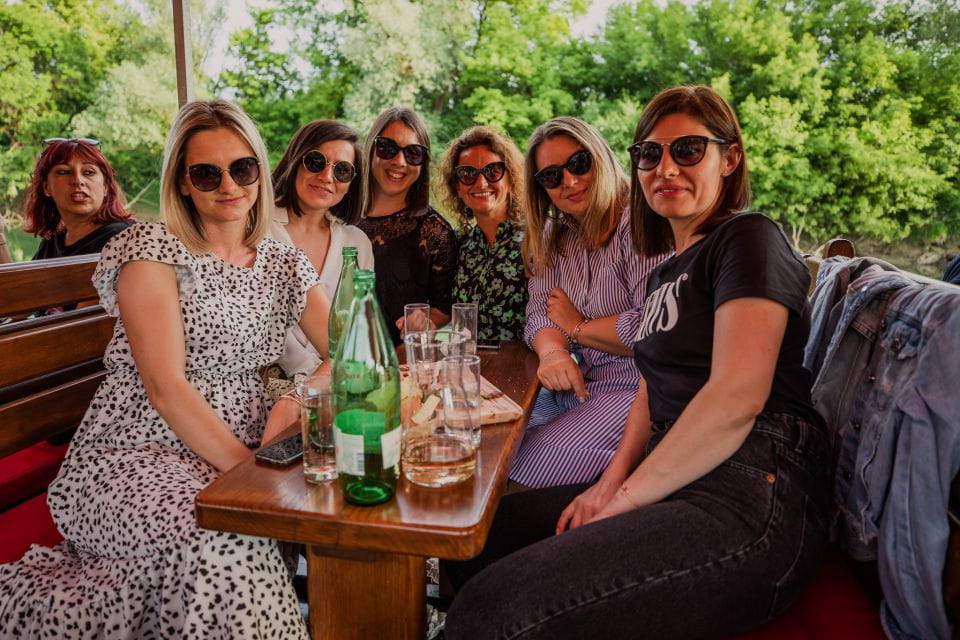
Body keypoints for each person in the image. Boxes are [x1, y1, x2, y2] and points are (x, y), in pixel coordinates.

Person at [442, 86, 831, 639]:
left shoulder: (748, 238)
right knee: (479, 537)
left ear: (731, 157)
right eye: (650, 154)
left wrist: (624, 497)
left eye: (688, 150)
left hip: (755, 486)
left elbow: (736, 398)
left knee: (489, 610)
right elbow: (654, 380)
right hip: (682, 466)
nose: (665, 167)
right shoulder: (668, 271)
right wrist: (612, 482)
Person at [0, 100, 330, 638]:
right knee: (223, 534)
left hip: (243, 440)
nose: (229, 185)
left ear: (261, 172)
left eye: (242, 168)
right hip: (134, 449)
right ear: (181, 182)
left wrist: (294, 399)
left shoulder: (278, 252)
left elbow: (352, 350)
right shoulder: (151, 248)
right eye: (206, 172)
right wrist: (248, 478)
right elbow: (165, 388)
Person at [511, 116, 662, 489]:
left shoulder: (642, 225)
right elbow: (538, 314)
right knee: (496, 439)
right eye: (551, 177)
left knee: (536, 459)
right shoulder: (554, 236)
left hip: (637, 389)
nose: (569, 182)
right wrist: (553, 354)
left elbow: (653, 330)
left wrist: (577, 327)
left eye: (578, 164)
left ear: (600, 157)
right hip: (576, 380)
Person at [268, 119, 373, 378]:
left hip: (336, 381)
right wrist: (307, 374)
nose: (327, 177)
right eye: (316, 162)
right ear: (295, 160)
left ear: (352, 183)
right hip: (264, 383)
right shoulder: (256, 229)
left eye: (342, 171)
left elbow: (357, 327)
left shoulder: (357, 243)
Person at [356, 107, 457, 345]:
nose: (399, 162)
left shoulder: (434, 231)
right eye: (387, 148)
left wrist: (422, 320)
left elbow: (444, 308)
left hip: (398, 366)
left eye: (413, 153)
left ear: (423, 163)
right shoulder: (339, 214)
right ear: (371, 149)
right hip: (326, 358)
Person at [438, 125, 527, 341]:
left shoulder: (536, 239)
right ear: (458, 187)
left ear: (510, 180)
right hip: (467, 368)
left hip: (526, 369)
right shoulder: (457, 244)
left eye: (493, 171)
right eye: (467, 173)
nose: (481, 182)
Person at [21, 138, 134, 261]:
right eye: (64, 172)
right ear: (46, 187)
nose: (78, 181)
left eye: (89, 172)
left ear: (105, 186)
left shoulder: (125, 237)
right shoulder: (52, 242)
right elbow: (16, 280)